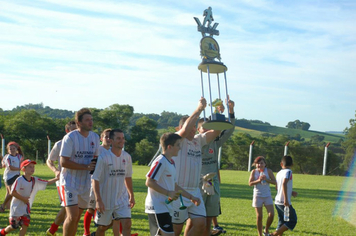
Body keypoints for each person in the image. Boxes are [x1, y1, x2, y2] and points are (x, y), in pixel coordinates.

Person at [172, 97, 220, 236]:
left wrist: (217, 112)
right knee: (177, 228)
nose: (193, 130)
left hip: (195, 190)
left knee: (200, 224)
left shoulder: (198, 141)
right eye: (191, 126)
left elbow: (216, 132)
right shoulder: (177, 139)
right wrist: (199, 109)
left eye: (195, 127)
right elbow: (186, 129)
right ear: (180, 128)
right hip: (179, 190)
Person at [145, 133, 201, 236]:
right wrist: (168, 193)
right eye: (178, 145)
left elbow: (175, 185)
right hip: (157, 207)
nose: (180, 148)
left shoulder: (171, 162)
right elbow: (149, 182)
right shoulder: (160, 161)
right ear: (170, 147)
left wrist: (191, 197)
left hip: (165, 207)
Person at [193, 98, 235, 236]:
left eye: (208, 128)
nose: (206, 131)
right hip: (198, 183)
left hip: (212, 182)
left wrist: (230, 111)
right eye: (203, 128)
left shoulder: (215, 143)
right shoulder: (194, 143)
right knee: (196, 217)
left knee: (210, 215)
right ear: (198, 129)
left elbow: (229, 130)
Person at [59, 108, 100, 236]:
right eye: (87, 120)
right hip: (69, 182)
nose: (90, 122)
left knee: (76, 218)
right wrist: (85, 166)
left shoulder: (95, 137)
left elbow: (96, 159)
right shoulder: (70, 137)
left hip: (86, 183)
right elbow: (63, 162)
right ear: (79, 123)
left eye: (91, 119)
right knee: (72, 216)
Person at [92, 129, 135, 236]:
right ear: (111, 140)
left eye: (123, 138)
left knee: (127, 224)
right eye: (118, 138)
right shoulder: (103, 157)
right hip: (106, 199)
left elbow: (128, 177)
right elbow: (95, 179)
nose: (122, 141)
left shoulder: (127, 157)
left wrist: (131, 195)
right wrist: (98, 200)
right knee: (102, 228)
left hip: (122, 198)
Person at [0, 159, 57, 236]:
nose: (32, 169)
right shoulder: (19, 180)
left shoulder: (34, 180)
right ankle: (2, 232)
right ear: (24, 169)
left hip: (25, 207)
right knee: (14, 226)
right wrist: (23, 199)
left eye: (33, 167)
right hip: (16, 207)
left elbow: (47, 182)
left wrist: (57, 178)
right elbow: (12, 192)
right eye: (30, 167)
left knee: (25, 223)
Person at [46, 120, 77, 236]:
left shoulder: (82, 143)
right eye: (73, 130)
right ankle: (54, 229)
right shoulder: (60, 144)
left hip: (79, 180)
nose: (75, 132)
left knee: (74, 207)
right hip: (63, 181)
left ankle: (54, 229)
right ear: (67, 131)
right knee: (67, 206)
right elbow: (49, 160)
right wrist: (55, 171)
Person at [84, 128, 112, 236]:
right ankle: (86, 232)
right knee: (91, 208)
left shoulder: (113, 152)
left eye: (110, 137)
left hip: (108, 184)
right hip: (94, 183)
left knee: (111, 211)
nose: (109, 139)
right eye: (106, 136)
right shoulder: (97, 150)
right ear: (101, 138)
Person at [248, 156, 276, 236]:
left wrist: (266, 180)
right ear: (255, 164)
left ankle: (266, 230)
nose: (260, 165)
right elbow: (250, 183)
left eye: (261, 163)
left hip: (267, 195)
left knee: (271, 214)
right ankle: (260, 234)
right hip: (257, 195)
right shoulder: (254, 172)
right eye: (258, 163)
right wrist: (258, 180)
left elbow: (274, 182)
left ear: (265, 164)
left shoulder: (269, 171)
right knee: (259, 216)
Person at [270, 156, 298, 236]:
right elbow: (284, 183)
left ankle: (275, 234)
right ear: (292, 164)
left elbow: (277, 187)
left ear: (281, 164)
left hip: (277, 201)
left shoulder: (279, 173)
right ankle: (272, 234)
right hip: (283, 202)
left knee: (281, 221)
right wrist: (286, 199)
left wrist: (290, 191)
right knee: (292, 220)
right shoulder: (289, 172)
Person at [0, 142, 24, 213]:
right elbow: (11, 167)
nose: (12, 150)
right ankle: (3, 206)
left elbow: (22, 161)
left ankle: (7, 207)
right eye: (10, 149)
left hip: (16, 176)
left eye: (14, 148)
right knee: (12, 193)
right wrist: (21, 168)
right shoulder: (8, 157)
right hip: (9, 176)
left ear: (16, 149)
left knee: (9, 193)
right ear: (8, 150)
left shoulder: (19, 156)